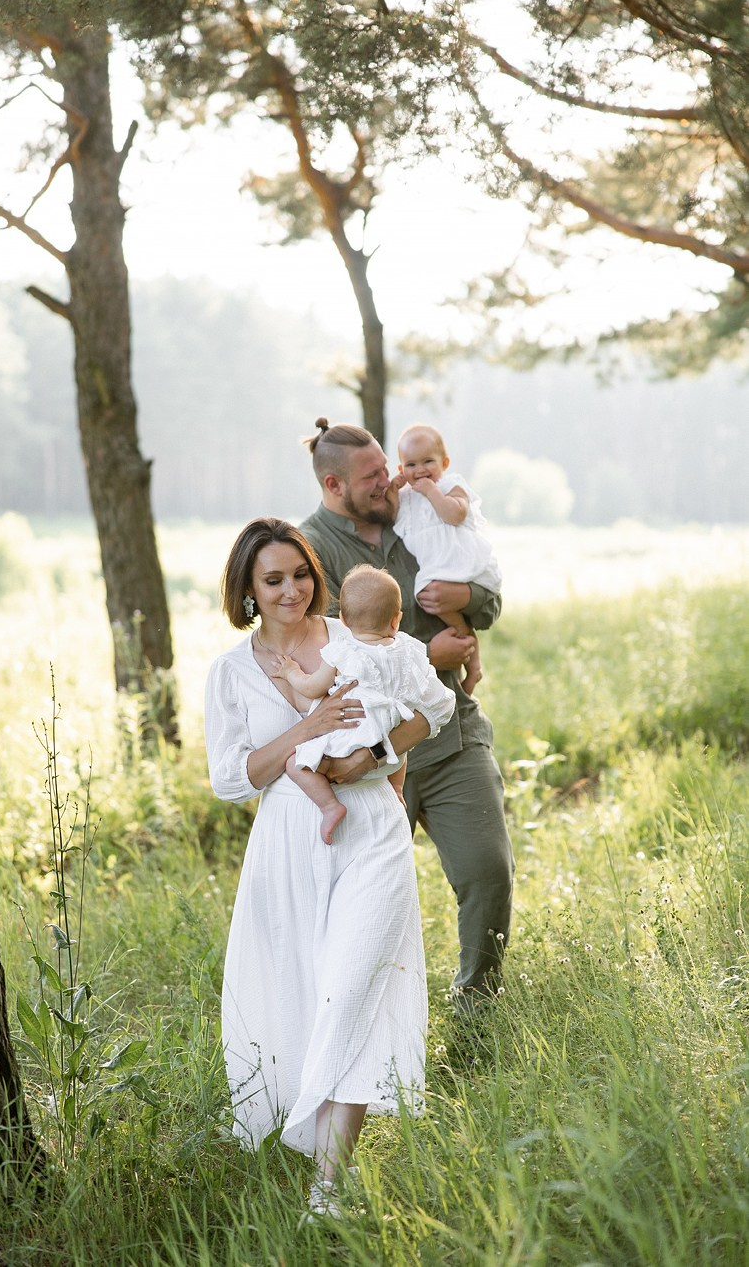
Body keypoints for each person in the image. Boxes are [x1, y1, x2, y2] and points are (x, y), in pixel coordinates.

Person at [204, 518, 456, 1220]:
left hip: (372, 824)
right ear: (248, 590)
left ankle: (328, 1187)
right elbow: (231, 778)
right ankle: (304, 1142)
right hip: (291, 835)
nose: (291, 590)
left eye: (300, 575)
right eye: (273, 580)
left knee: (353, 989)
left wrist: (370, 755)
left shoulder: (357, 636)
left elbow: (429, 712)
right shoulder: (231, 671)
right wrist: (305, 732)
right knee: (301, 994)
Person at [298, 419, 515, 1019]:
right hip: (368, 753)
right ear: (335, 485)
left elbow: (488, 595)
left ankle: (477, 1011)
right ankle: (356, 1019)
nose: (391, 481)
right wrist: (428, 654)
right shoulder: (309, 550)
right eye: (373, 476)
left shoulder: (419, 511)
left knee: (488, 871)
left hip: (450, 735)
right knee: (356, 900)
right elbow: (330, 648)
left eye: (387, 468)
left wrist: (467, 600)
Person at [271, 563, 456, 844]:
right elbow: (425, 694)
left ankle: (329, 806)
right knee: (398, 731)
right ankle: (396, 790)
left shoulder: (343, 650)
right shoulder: (408, 649)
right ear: (396, 620)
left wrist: (290, 672)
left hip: (352, 738)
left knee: (295, 763)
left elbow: (313, 687)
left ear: (343, 620)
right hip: (390, 742)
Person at [393, 423, 503, 694]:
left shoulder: (450, 485)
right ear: (401, 469)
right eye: (411, 465)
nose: (420, 470)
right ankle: (473, 662)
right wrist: (392, 490)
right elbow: (391, 516)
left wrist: (432, 491)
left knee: (434, 596)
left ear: (444, 463)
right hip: (436, 566)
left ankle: (472, 662)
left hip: (460, 560)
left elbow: (455, 515)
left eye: (428, 462)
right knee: (427, 596)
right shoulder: (406, 497)